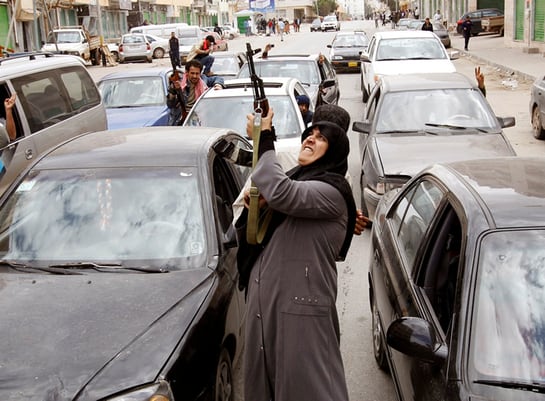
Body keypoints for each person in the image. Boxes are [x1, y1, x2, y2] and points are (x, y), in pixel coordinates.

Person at [239, 103, 362, 401]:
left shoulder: (331, 191)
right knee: (263, 385)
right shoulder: (299, 177)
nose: (310, 138)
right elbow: (277, 192)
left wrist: (264, 138)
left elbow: (282, 192)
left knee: (308, 388)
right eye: (310, 132)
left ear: (335, 152)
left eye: (321, 137)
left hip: (300, 308)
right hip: (264, 303)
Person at [166, 59, 223, 125]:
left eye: (197, 73)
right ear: (187, 72)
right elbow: (170, 104)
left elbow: (218, 78)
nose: (195, 76)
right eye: (192, 73)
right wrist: (173, 90)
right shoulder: (180, 83)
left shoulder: (203, 80)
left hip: (199, 119)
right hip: (180, 120)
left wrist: (218, 85)